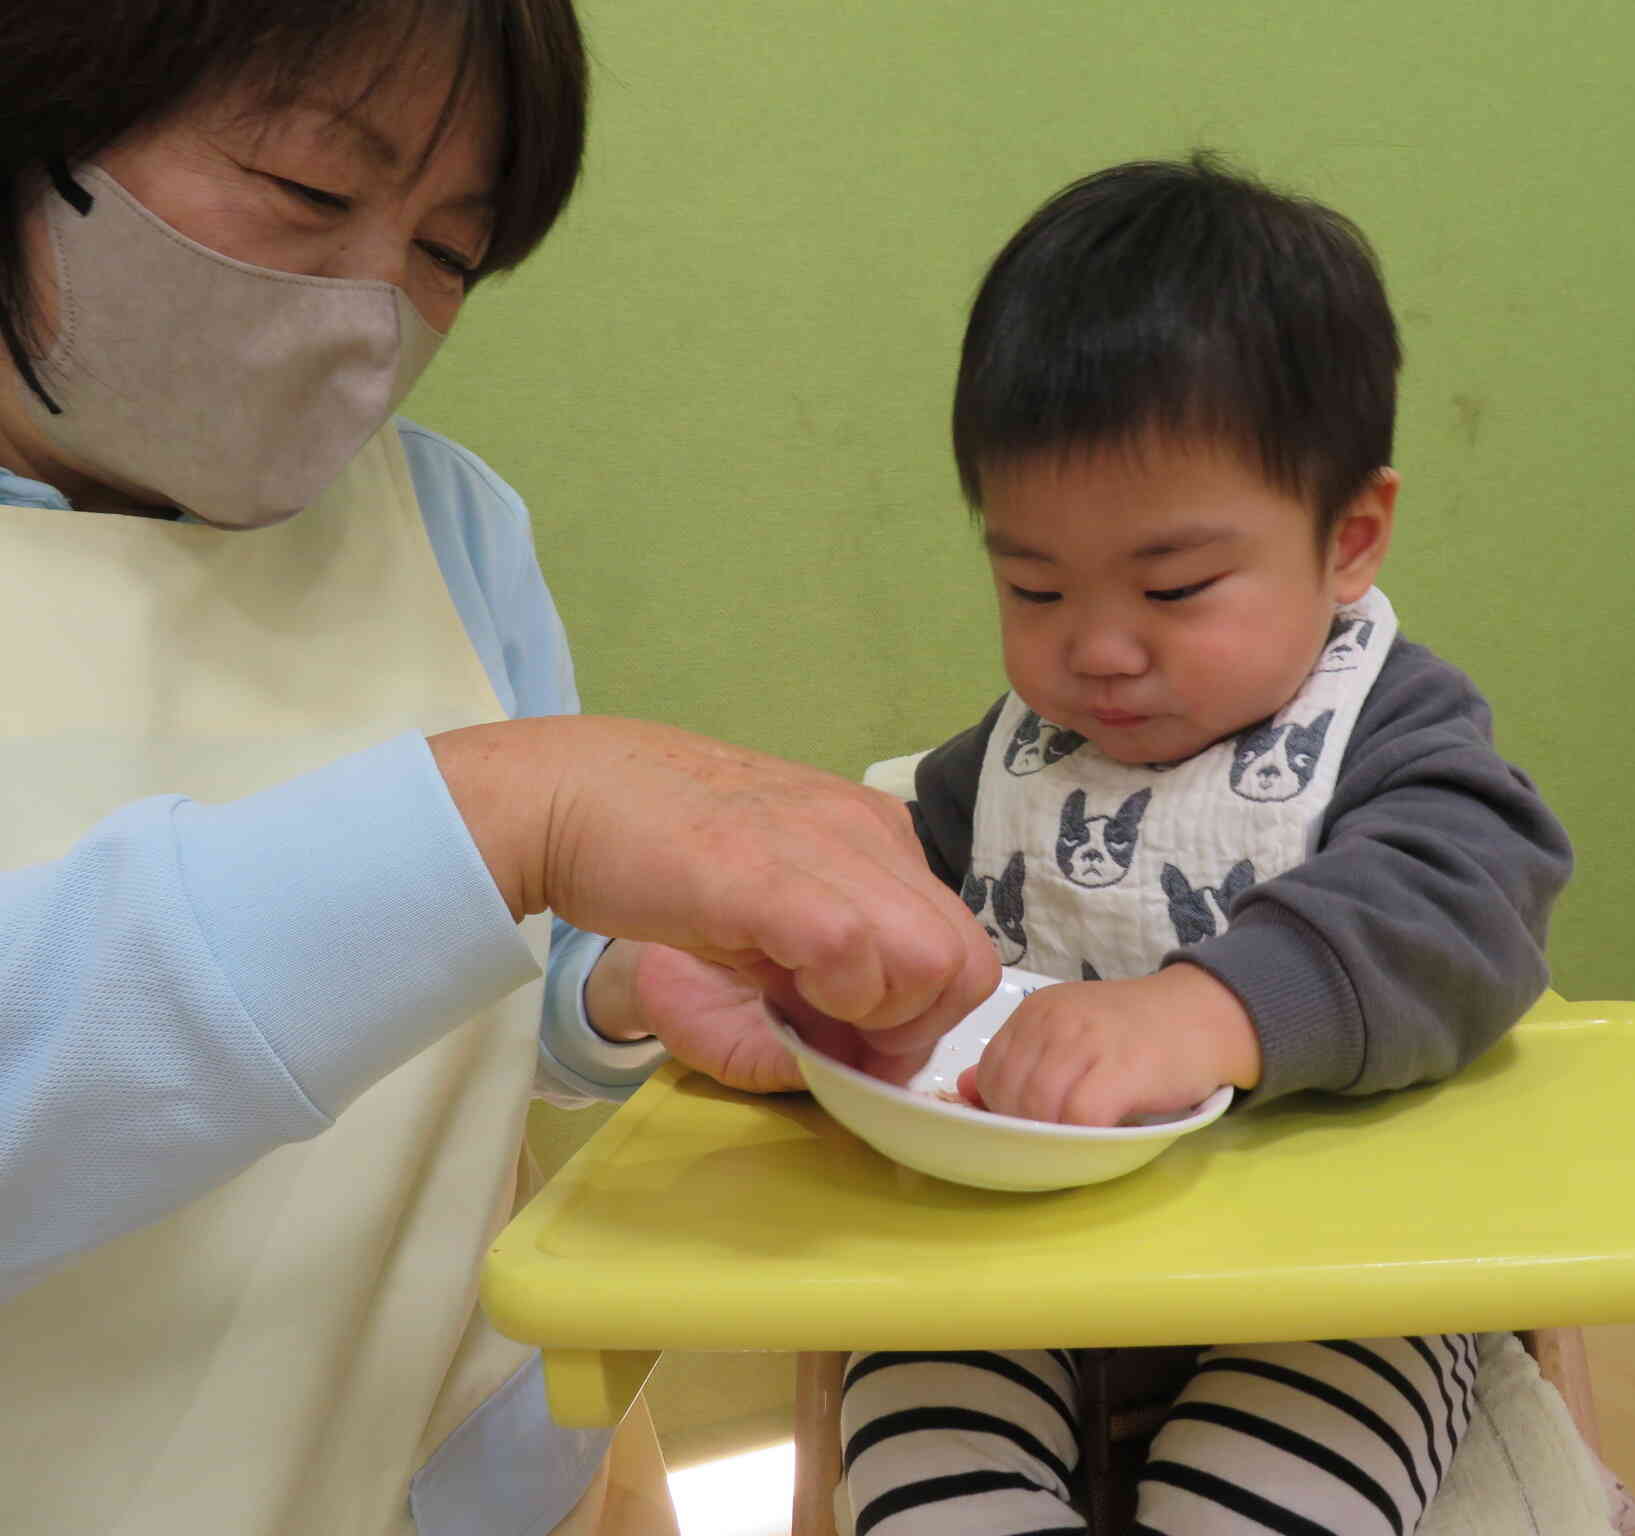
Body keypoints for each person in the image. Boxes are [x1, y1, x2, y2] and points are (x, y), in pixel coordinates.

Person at [0, 3, 993, 1532]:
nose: (367, 314)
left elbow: (506, 996)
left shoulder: (449, 526)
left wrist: (638, 981)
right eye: (309, 188)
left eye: (447, 256)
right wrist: (511, 812)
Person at [835, 158, 1574, 1535]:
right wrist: (835, 936)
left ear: (1350, 539)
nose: (1099, 650)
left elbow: (1474, 899)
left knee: (1269, 1481)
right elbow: (909, 875)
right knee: (915, 1440)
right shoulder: (1017, 754)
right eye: (1033, 587)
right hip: (1018, 1252)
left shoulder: (1386, 726)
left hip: (1335, 1275)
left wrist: (1207, 1011)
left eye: (1174, 588)